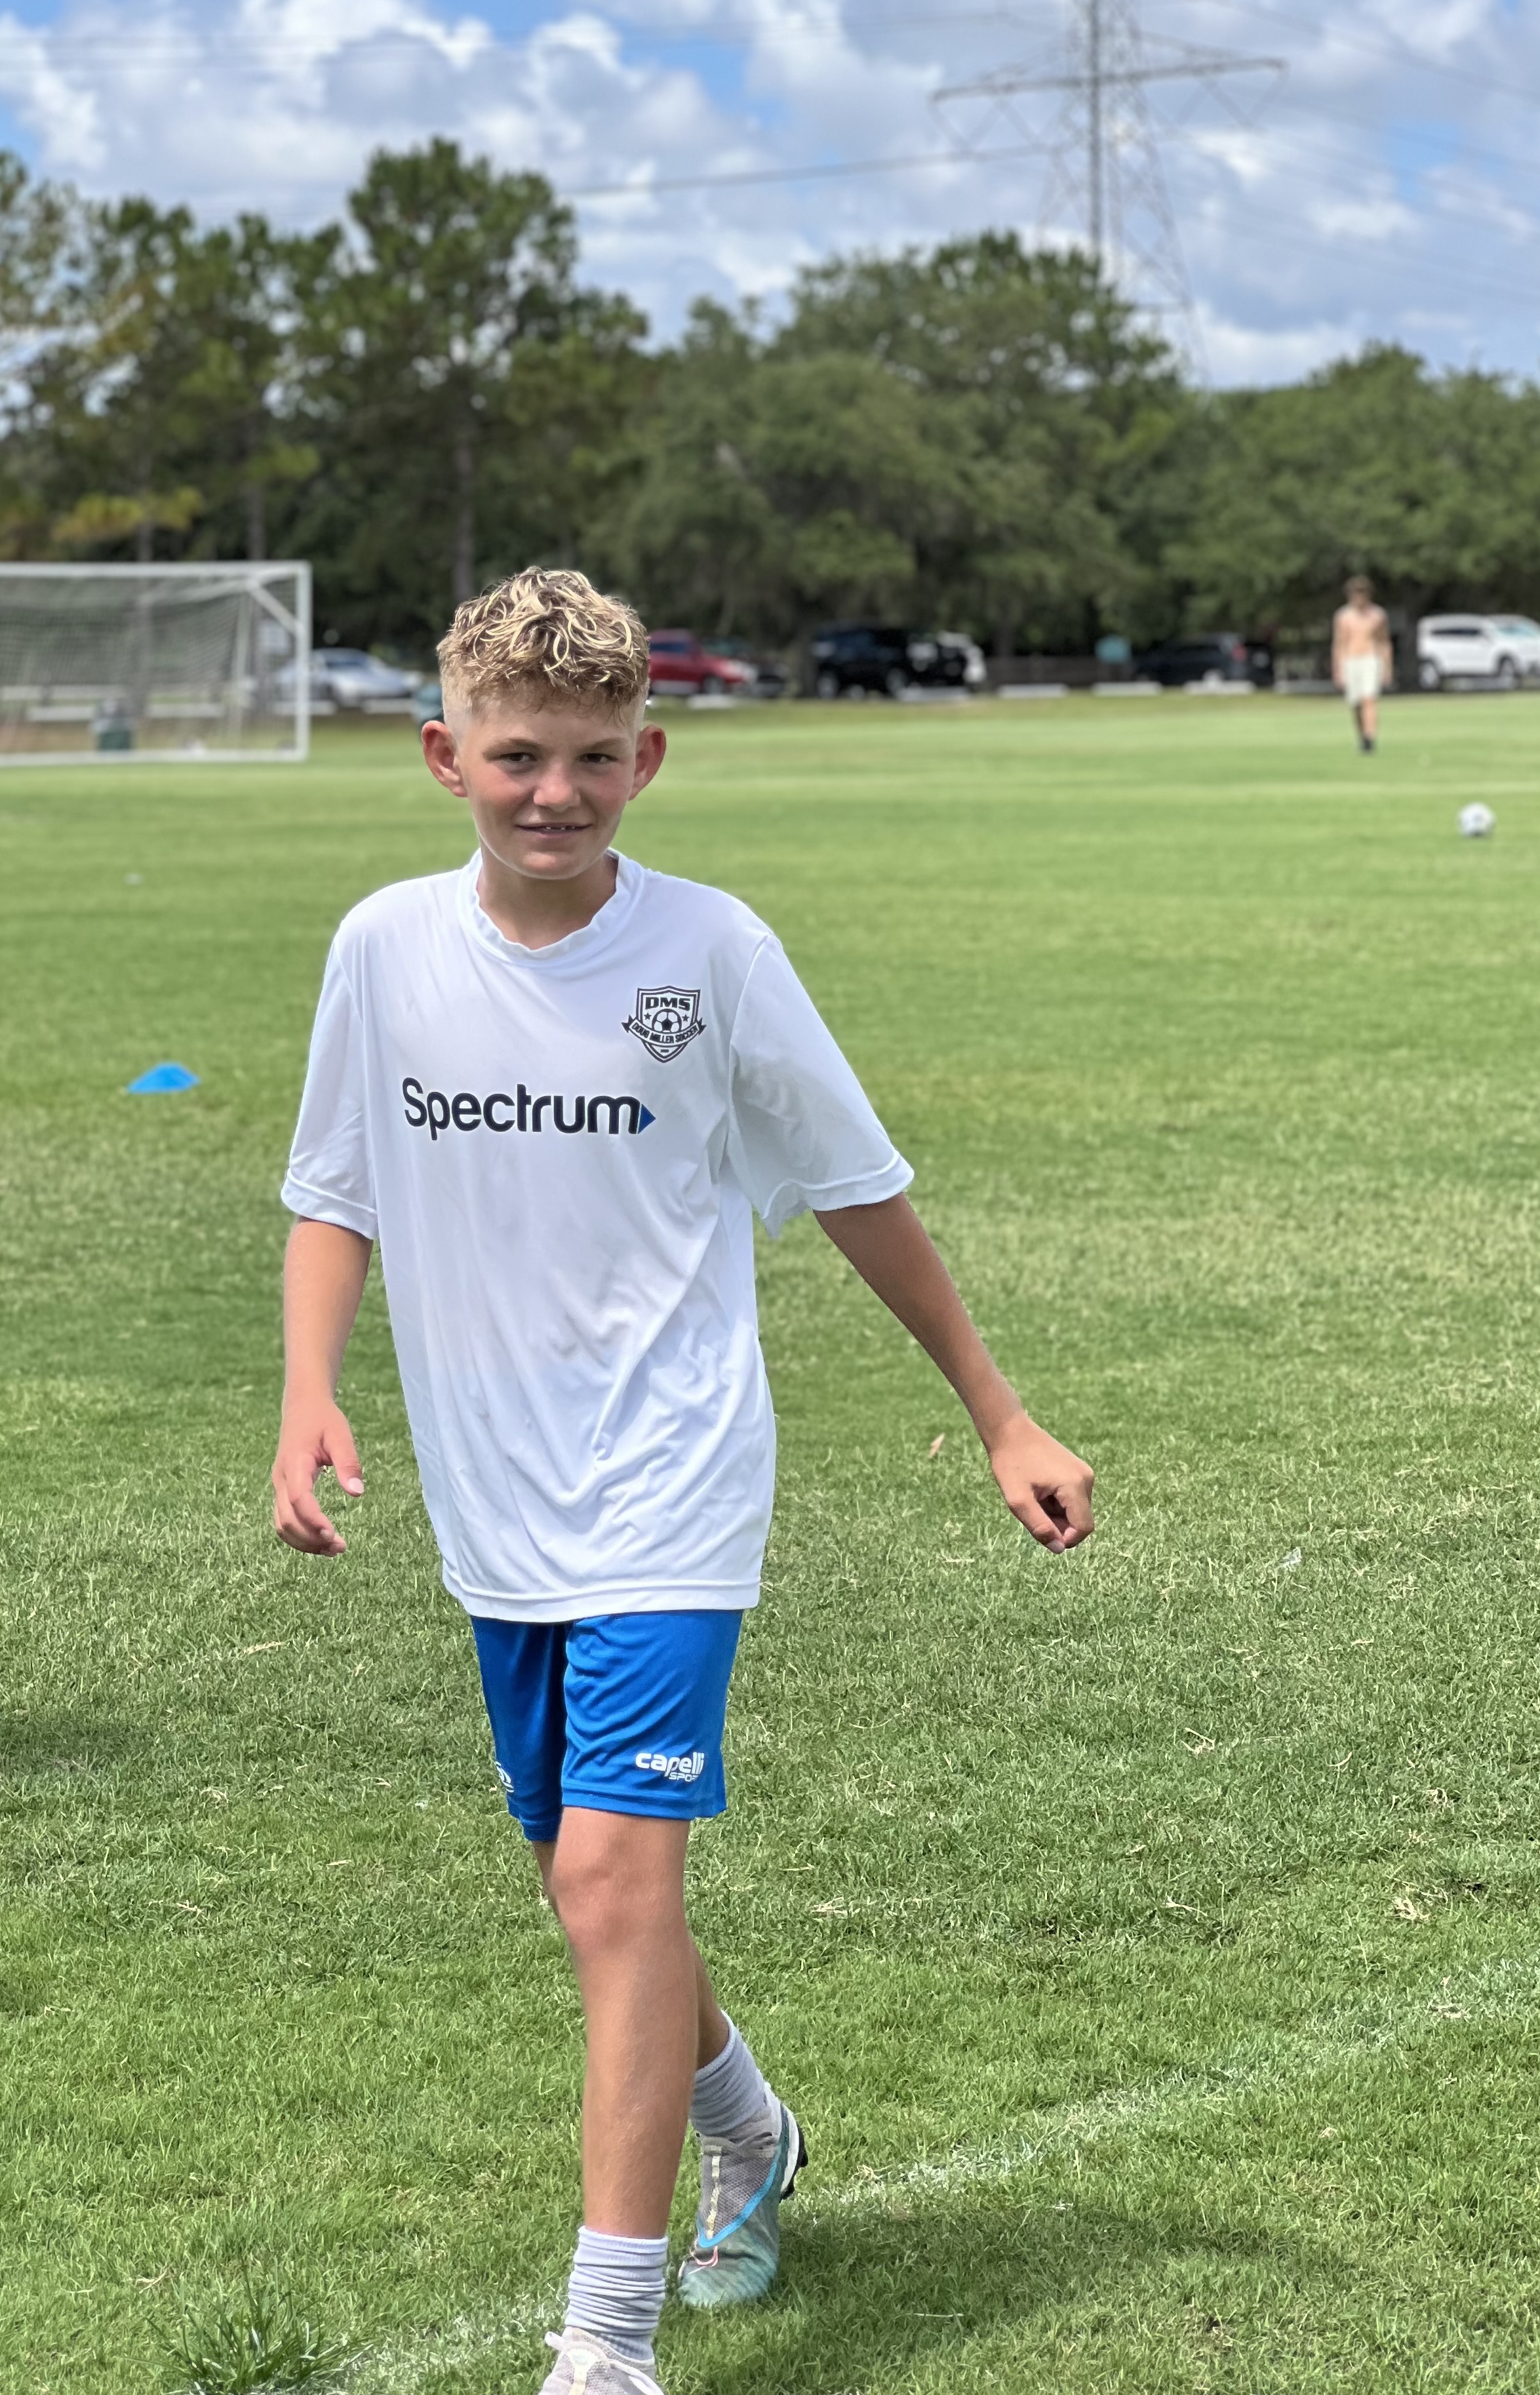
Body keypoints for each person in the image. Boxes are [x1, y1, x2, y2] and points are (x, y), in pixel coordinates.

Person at [272, 570, 1095, 2395]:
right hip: (494, 1506)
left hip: (672, 1481)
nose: (551, 793)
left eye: (588, 759)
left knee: (619, 1890)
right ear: (441, 757)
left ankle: (606, 2345)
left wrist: (997, 1409)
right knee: (588, 1887)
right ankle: (753, 2134)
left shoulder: (713, 954)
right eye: (513, 756)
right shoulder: (382, 950)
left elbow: (860, 1184)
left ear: (647, 757)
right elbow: (333, 1193)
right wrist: (305, 1397)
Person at [1331, 575, 1393, 753]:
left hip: (1371, 658)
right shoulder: (1343, 617)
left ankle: (1370, 738)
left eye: (1362, 594)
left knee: (1369, 699)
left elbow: (1384, 642)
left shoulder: (1377, 616)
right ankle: (1362, 735)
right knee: (1356, 703)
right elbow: (1339, 644)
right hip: (1351, 660)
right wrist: (1337, 669)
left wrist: (1387, 667)